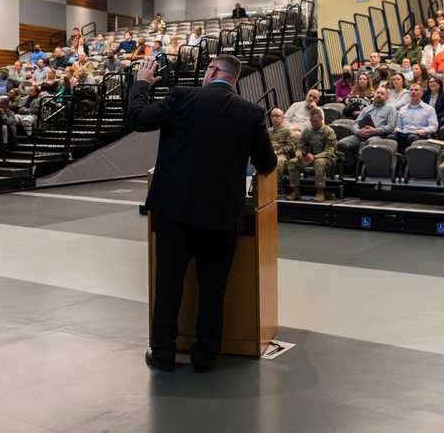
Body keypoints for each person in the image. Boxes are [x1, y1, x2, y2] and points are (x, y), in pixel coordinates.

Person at [126, 55, 275, 373]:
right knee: (212, 287)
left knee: (169, 284)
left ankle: (164, 353)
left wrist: (141, 83)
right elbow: (268, 163)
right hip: (221, 218)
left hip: (175, 213)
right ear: (233, 78)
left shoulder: (182, 96)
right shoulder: (250, 113)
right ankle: (205, 357)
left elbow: (137, 117)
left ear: (212, 71)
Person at [337, 87, 397, 171]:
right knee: (341, 144)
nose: (379, 95)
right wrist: (358, 131)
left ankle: (367, 169)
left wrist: (375, 130)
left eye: (382, 94)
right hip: (360, 135)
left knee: (370, 143)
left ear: (387, 98)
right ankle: (354, 167)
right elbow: (356, 123)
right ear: (374, 95)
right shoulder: (366, 109)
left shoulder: (390, 109)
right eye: (378, 93)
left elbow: (391, 127)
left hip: (378, 136)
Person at [287, 108, 337, 202]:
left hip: (325, 159)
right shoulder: (307, 131)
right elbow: (300, 147)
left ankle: (320, 192)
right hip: (309, 158)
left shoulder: (329, 132)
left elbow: (329, 151)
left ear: (321, 119)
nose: (313, 123)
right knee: (293, 162)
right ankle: (295, 191)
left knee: (319, 163)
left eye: (315, 121)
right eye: (311, 121)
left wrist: (315, 157)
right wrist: (300, 156)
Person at [394, 82, 438, 151]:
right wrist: (397, 130)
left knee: (411, 138)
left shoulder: (429, 109)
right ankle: (395, 160)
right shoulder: (403, 109)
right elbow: (399, 126)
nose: (413, 92)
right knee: (391, 137)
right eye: (411, 90)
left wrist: (424, 130)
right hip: (403, 134)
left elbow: (434, 126)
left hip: (419, 135)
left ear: (421, 93)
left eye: (416, 90)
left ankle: (410, 159)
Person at [268, 108, 298, 196]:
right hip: (269, 153)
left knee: (278, 161)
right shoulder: (268, 131)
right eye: (272, 116)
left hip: (282, 155)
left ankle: (276, 186)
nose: (274, 118)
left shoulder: (288, 131)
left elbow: (291, 146)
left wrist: (278, 151)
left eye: (277, 116)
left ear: (282, 118)